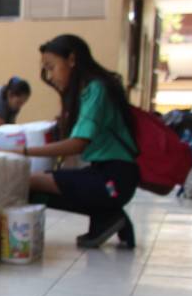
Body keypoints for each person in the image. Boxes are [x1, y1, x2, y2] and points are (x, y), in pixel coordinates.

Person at [21, 34, 138, 249]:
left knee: (30, 182)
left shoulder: (97, 89)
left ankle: (109, 213)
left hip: (114, 179)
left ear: (72, 60)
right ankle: (108, 216)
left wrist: (24, 152)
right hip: (103, 173)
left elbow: (78, 143)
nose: (50, 75)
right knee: (37, 186)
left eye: (52, 66)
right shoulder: (89, 91)